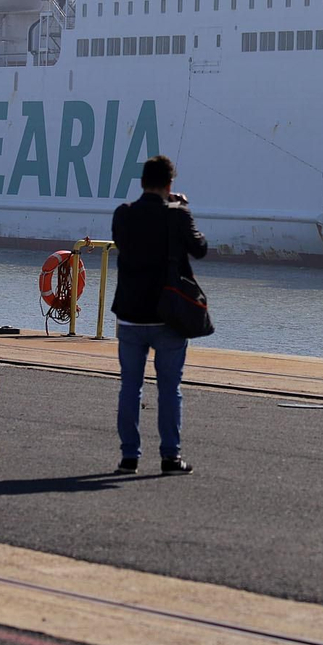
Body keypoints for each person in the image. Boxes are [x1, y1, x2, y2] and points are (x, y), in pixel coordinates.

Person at [110, 154, 207, 475]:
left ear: (142, 183)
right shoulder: (177, 216)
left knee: (130, 387)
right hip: (169, 315)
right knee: (169, 389)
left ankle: (129, 458)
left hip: (130, 315)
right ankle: (170, 457)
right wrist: (182, 209)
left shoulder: (123, 215)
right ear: (170, 184)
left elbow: (125, 245)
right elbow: (200, 249)